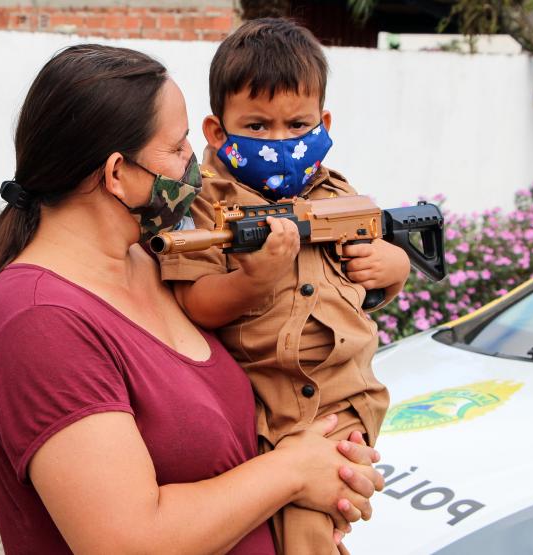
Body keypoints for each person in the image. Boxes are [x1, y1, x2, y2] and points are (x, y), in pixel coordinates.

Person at [0, 44, 385, 555]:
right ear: (115, 174)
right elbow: (130, 541)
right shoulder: (40, 320)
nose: (196, 166)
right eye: (178, 150)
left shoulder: (153, 266)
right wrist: (293, 471)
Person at [158, 19, 411, 555]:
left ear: (323, 122)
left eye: (297, 125)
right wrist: (254, 279)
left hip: (346, 396)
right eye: (257, 126)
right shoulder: (200, 204)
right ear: (216, 131)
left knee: (316, 521)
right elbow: (195, 303)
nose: (280, 142)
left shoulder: (339, 193)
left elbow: (360, 281)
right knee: (292, 527)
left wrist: (393, 270)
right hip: (267, 405)